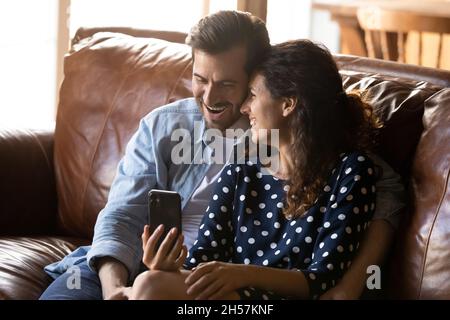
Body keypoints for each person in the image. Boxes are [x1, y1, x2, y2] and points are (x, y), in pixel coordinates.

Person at [40, 11, 404, 300]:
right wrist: (115, 288)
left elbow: (383, 185)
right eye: (201, 78)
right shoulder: (166, 127)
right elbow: (121, 215)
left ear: (257, 79)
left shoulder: (280, 136)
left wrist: (350, 285)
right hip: (135, 266)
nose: (210, 97)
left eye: (228, 84)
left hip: (219, 283)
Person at [129, 39, 381, 300]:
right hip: (236, 296)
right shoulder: (242, 167)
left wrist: (243, 274)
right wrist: (169, 267)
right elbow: (203, 260)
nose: (245, 107)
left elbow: (323, 277)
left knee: (151, 287)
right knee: (151, 282)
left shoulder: (350, 172)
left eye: (253, 95)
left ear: (288, 104)